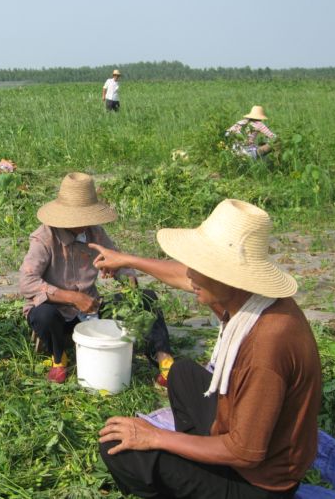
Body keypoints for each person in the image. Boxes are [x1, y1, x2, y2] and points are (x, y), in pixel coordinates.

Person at [94, 199, 321, 499]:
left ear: (228, 277)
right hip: (240, 441)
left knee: (117, 449)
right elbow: (182, 275)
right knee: (182, 373)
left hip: (258, 482)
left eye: (200, 267)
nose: (190, 276)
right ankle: (196, 464)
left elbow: (243, 453)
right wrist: (126, 260)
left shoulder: (265, 346)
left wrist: (156, 437)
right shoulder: (250, 297)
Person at [19, 172, 172, 384]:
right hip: (57, 312)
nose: (84, 223)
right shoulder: (44, 238)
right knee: (43, 314)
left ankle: (164, 361)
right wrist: (72, 297)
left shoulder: (95, 233)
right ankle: (58, 358)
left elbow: (117, 261)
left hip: (91, 309)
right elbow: (27, 282)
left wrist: (127, 279)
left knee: (148, 298)